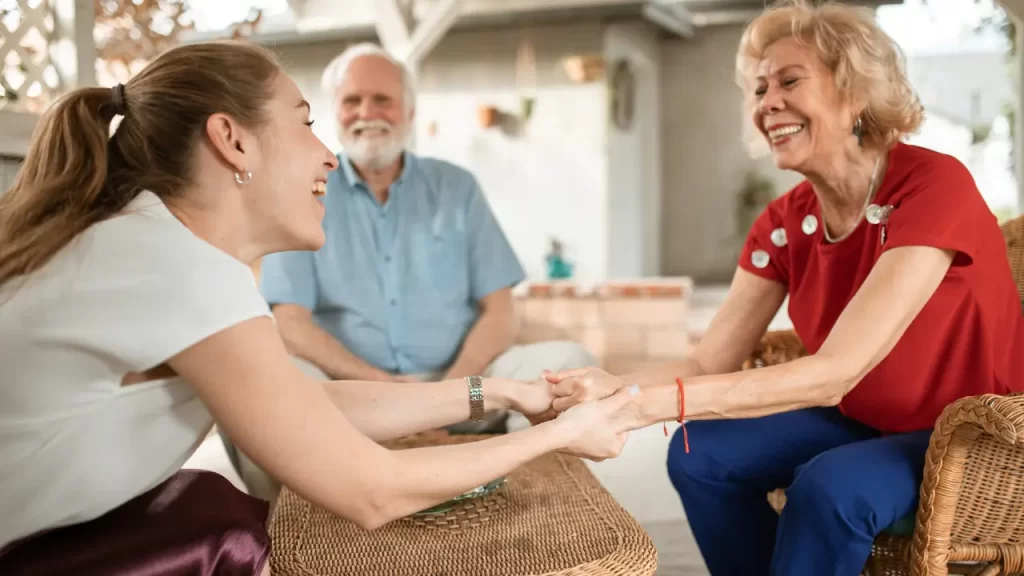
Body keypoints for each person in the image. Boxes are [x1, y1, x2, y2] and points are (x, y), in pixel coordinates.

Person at [0, 40, 642, 576]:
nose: (328, 153)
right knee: (229, 524)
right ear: (232, 141)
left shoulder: (158, 246)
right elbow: (372, 490)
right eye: (306, 121)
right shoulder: (175, 267)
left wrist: (503, 392)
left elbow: (307, 406)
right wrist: (559, 434)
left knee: (220, 511)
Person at [541, 1, 1024, 575]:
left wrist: (641, 408)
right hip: (860, 414)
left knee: (831, 487)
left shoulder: (932, 185)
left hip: (966, 433)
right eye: (759, 88)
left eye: (790, 81)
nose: (766, 103)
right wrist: (608, 387)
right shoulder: (785, 220)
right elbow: (706, 360)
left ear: (855, 93)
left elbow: (835, 371)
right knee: (700, 456)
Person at [225, 42, 598, 499]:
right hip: (354, 396)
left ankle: (538, 502)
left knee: (568, 364)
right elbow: (291, 323)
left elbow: (501, 310)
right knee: (258, 390)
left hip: (467, 381)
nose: (367, 111)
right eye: (352, 101)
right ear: (335, 113)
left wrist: (456, 390)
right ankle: (295, 529)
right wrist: (385, 391)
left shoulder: (456, 187)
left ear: (410, 111)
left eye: (382, 99)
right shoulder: (306, 193)